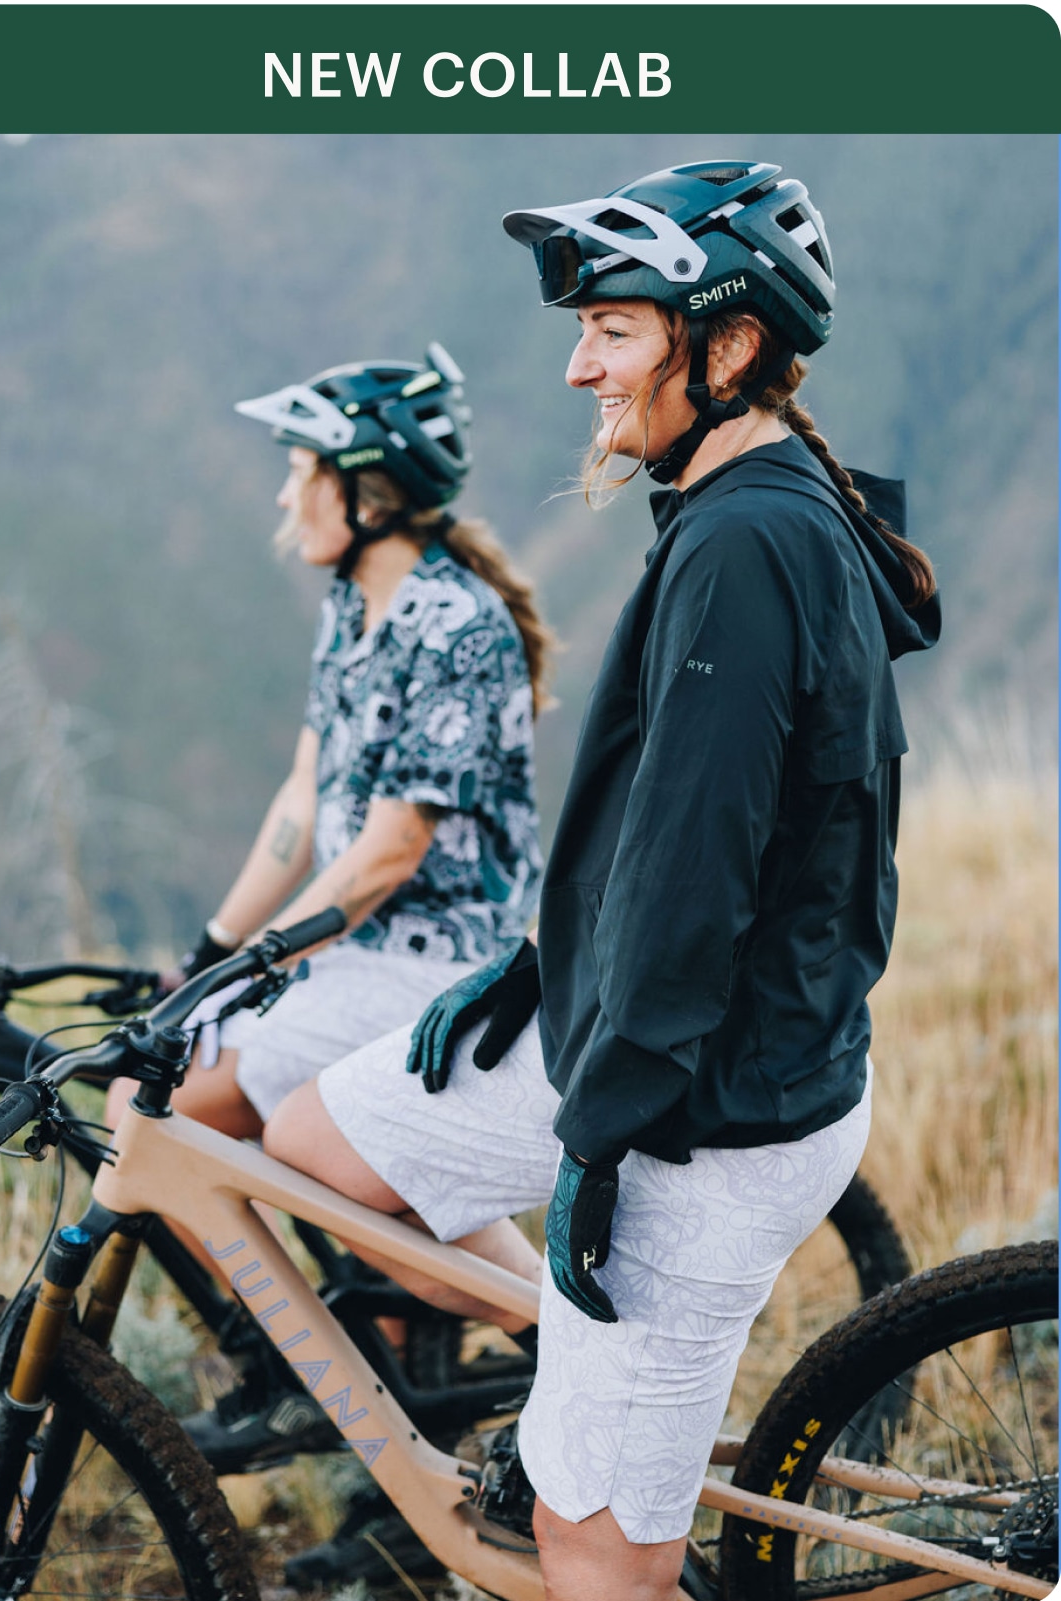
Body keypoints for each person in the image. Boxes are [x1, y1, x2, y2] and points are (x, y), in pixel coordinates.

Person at [265, 159, 940, 1600]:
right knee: (324, 1139)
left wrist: (599, 1145)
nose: (579, 366)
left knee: (596, 1557)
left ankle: (616, 1443)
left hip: (708, 1109)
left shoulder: (751, 542)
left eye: (616, 329)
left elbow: (702, 872)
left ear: (732, 343)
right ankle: (598, 1389)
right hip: (644, 1036)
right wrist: (543, 963)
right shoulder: (741, 502)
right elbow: (673, 831)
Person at [128, 343, 551, 1471]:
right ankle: (336, 1379)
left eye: (300, 467)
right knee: (169, 1100)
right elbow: (305, 796)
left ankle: (528, 1352)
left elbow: (390, 847)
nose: (282, 492)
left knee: (164, 1113)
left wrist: (258, 960)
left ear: (366, 488)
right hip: (349, 953)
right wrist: (212, 948)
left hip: (440, 959)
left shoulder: (454, 625)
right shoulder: (349, 609)